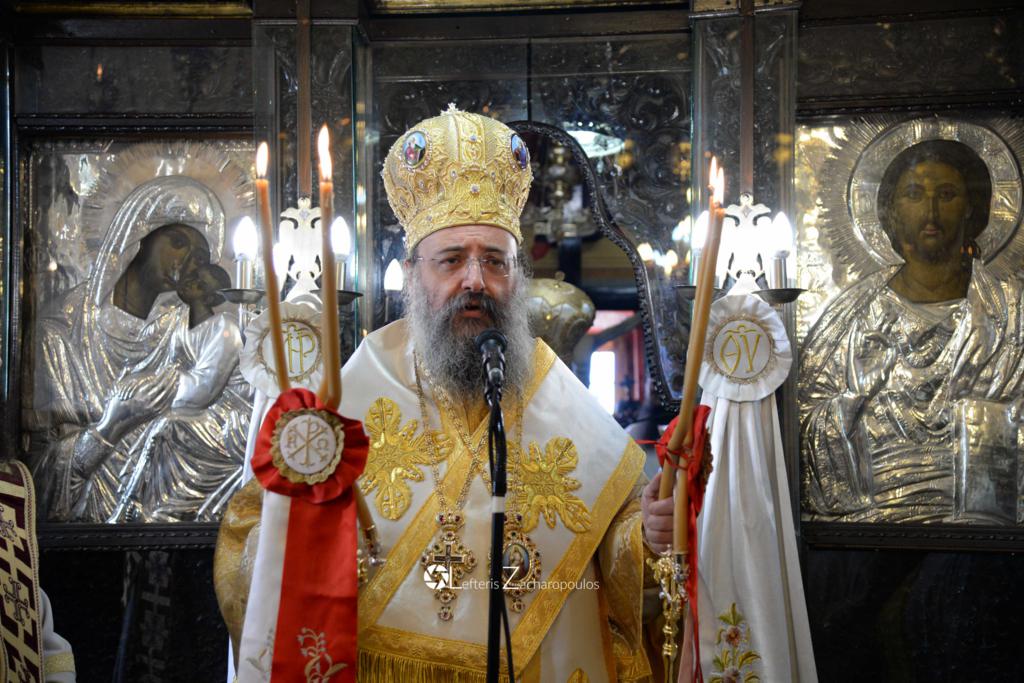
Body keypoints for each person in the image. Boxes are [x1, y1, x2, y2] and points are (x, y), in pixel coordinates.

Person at [216, 106, 677, 682]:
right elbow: (254, 550)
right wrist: (308, 537)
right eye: (452, 260)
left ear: (517, 276)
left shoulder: (553, 389)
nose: (475, 280)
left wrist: (648, 533)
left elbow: (616, 538)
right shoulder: (358, 385)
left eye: (495, 262)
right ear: (414, 274)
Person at [800, 139, 1024, 524]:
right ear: (892, 210)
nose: (931, 211)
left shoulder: (1011, 313)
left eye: (947, 195)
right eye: (914, 195)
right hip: (866, 533)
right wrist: (853, 400)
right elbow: (806, 423)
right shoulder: (853, 316)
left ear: (971, 207)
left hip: (982, 532)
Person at [108, 263, 250, 522]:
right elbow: (158, 364)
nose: (190, 282)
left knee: (166, 426)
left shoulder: (225, 328)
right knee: (138, 421)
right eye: (193, 275)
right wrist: (139, 380)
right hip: (185, 404)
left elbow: (203, 389)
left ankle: (136, 503)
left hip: (226, 414)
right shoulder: (180, 324)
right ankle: (133, 502)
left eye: (200, 284)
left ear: (210, 297)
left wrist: (159, 383)